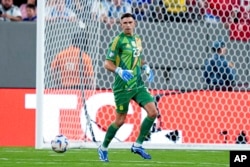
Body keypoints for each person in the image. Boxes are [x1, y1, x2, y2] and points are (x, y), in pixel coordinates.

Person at [98, 13, 158, 162]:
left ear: (134, 23)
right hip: (122, 87)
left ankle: (137, 145)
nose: (127, 25)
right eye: (124, 23)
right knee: (120, 121)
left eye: (130, 22)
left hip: (138, 85)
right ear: (120, 25)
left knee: (153, 112)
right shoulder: (117, 41)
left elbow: (138, 58)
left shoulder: (137, 40)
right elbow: (107, 63)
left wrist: (146, 67)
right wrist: (119, 70)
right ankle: (103, 147)